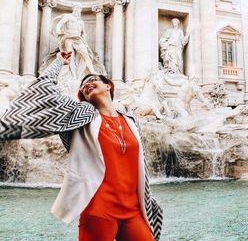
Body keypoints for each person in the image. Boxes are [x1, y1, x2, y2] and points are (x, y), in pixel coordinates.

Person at [0, 52, 163, 241]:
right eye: (83, 85)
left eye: (93, 79)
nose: (87, 84)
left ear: (109, 85)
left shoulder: (130, 120)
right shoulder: (81, 116)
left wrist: (148, 199)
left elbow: (139, 167)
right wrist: (59, 63)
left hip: (134, 211)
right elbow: (46, 91)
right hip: (98, 210)